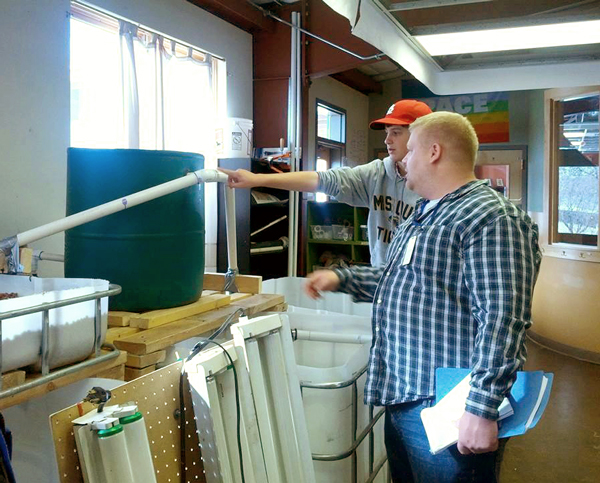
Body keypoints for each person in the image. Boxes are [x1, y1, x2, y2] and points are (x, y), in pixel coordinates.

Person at [304, 111, 542, 482]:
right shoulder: (423, 214)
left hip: (451, 406)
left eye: (409, 149)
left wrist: (481, 408)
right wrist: (341, 277)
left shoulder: (491, 217)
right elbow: (403, 280)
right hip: (404, 393)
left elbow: (503, 319)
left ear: (434, 152)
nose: (401, 159)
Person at [219, 99, 432, 266]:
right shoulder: (377, 174)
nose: (387, 140)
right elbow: (322, 180)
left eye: (396, 133)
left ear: (421, 135)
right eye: (387, 133)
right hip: (384, 280)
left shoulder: (441, 185)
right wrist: (257, 179)